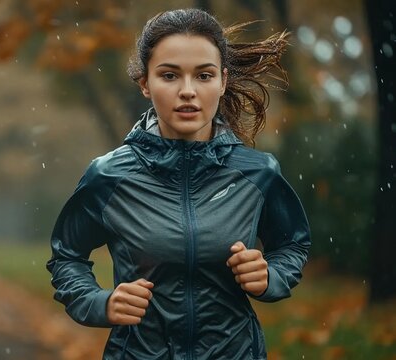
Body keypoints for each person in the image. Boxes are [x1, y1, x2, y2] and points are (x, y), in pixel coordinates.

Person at [46, 8, 310, 360]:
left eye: (203, 76)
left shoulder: (257, 172)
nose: (188, 91)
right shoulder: (109, 176)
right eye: (169, 76)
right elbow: (67, 256)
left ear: (223, 81)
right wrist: (99, 303)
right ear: (145, 83)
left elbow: (293, 244)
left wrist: (270, 277)